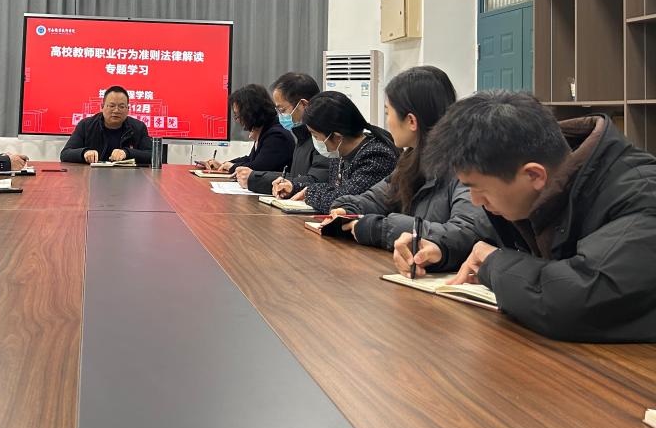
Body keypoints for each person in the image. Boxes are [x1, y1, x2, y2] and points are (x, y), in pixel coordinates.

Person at [394, 92, 656, 342]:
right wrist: (440, 249)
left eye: (479, 189)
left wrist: (493, 264)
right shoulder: (531, 174)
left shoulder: (642, 197)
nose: (475, 201)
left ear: (534, 175)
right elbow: (481, 234)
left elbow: (578, 299)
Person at [323, 66, 487, 267]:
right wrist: (347, 209)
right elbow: (377, 197)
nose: (387, 122)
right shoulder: (411, 160)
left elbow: (466, 233)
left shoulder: (465, 165)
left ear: (411, 121)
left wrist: (379, 229)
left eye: (387, 113)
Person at [271, 91, 397, 212]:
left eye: (315, 135)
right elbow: (332, 189)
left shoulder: (376, 156)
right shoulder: (340, 153)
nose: (315, 141)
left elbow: (344, 200)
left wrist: (309, 193)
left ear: (337, 137)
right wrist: (294, 187)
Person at [237, 72, 330, 193]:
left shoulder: (324, 138)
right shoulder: (301, 136)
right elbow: (295, 177)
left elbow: (315, 182)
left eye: (282, 109)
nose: (281, 115)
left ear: (303, 105)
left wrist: (255, 179)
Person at [206, 84, 294, 175]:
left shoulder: (276, 135)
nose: (237, 120)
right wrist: (224, 164)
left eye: (238, 115)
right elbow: (250, 159)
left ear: (251, 113)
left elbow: (258, 167)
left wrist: (231, 167)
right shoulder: (265, 129)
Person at [60, 86, 153, 164]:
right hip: (92, 177)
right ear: (102, 107)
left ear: (128, 109)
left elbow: (152, 155)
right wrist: (84, 153)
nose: (116, 110)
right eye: (112, 106)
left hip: (127, 177)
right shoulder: (85, 125)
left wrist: (127, 153)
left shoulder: (138, 127)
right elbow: (65, 154)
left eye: (121, 106)